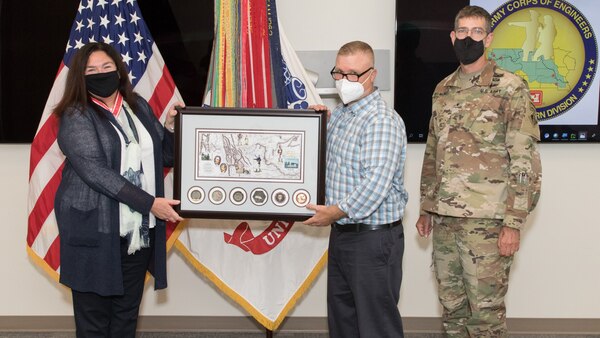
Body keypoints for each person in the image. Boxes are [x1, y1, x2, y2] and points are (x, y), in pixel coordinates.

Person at [415, 6, 542, 337]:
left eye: (476, 32)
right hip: (444, 219)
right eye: (462, 31)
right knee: (453, 307)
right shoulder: (442, 89)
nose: (468, 38)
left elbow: (525, 161)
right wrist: (426, 207)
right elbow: (433, 152)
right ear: (452, 36)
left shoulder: (510, 88)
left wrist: (513, 224)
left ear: (489, 39)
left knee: (485, 315)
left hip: (487, 222)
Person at [53, 42, 184, 337]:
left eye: (106, 67)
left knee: (126, 317)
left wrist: (172, 127)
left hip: (135, 234)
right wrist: (150, 203)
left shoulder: (136, 106)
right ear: (79, 77)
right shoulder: (76, 115)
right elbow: (96, 173)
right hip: (94, 233)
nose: (100, 74)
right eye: (91, 70)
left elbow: (165, 157)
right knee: (94, 323)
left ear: (118, 70)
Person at [304, 40, 408, 338]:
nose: (344, 81)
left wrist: (335, 212)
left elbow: (374, 184)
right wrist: (312, 126)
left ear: (372, 74)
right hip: (344, 234)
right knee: (343, 320)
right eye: (339, 73)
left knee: (376, 326)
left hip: (372, 240)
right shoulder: (339, 115)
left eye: (353, 75)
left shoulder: (380, 121)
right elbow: (330, 164)